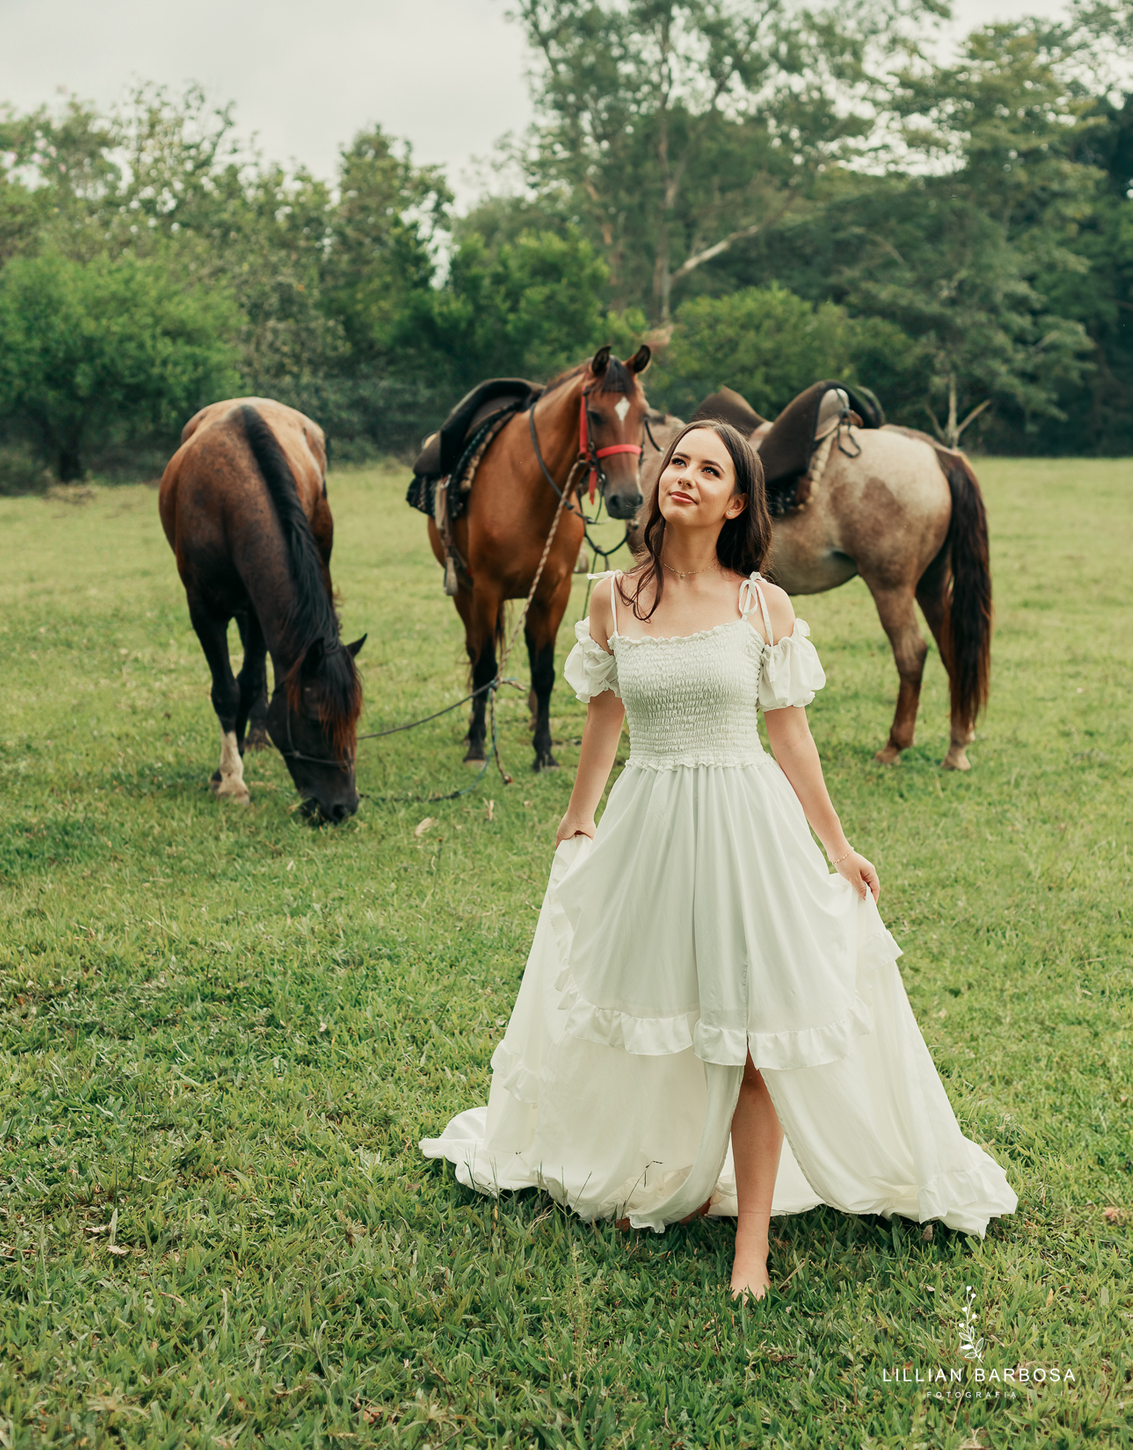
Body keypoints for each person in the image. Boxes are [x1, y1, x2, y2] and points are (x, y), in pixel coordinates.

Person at [422, 421, 1016, 1297]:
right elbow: (605, 714)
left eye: (710, 469)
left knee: (749, 1038)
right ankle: (657, 1173)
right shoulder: (613, 598)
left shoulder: (762, 606)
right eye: (679, 463)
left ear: (737, 500)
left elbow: (792, 737)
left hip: (747, 826)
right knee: (648, 1014)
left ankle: (752, 1247)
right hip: (650, 824)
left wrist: (839, 847)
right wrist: (577, 817)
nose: (685, 477)